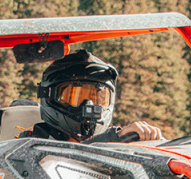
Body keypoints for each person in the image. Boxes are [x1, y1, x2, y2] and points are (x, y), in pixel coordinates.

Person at [21, 50, 163, 143]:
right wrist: (113, 138)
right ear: (50, 96)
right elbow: (65, 157)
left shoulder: (115, 140)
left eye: (97, 99)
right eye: (74, 97)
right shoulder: (31, 142)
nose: (88, 106)